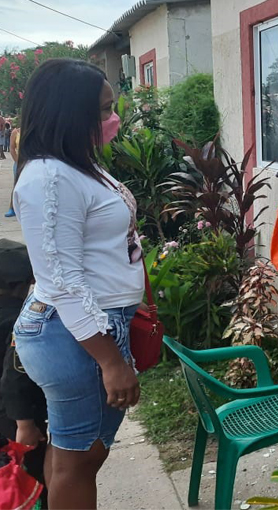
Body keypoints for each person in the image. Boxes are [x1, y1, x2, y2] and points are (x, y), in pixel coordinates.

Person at [13, 58, 143, 510]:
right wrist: (111, 361)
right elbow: (62, 282)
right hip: (76, 335)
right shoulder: (49, 178)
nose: (113, 119)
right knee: (80, 457)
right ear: (71, 114)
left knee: (76, 454)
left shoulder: (75, 164)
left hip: (91, 327)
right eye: (104, 111)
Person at [0, 239, 48, 507]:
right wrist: (26, 424)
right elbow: (15, 376)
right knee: (33, 476)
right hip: (17, 417)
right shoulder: (21, 321)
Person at [6, 121, 20, 218]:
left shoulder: (33, 131)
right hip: (19, 162)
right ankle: (12, 208)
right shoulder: (16, 132)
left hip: (31, 162)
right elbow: (12, 148)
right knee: (16, 184)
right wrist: (17, 161)